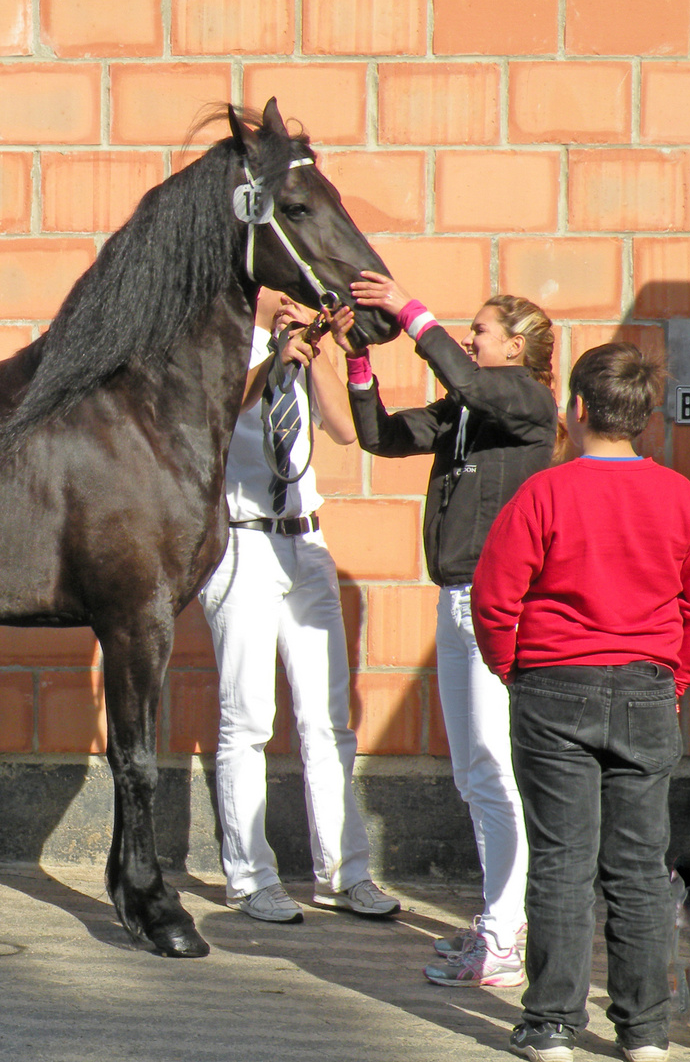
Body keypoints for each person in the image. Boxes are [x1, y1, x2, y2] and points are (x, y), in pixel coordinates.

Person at [472, 342, 690, 1062]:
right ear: (647, 419)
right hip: (645, 688)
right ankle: (645, 1033)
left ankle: (550, 1026)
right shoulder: (680, 497)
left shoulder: (545, 491)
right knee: (637, 867)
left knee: (561, 861)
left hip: (552, 685)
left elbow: (494, 596)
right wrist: (675, 676)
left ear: (574, 409)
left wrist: (511, 667)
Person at [342, 271, 558, 987]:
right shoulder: (467, 408)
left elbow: (469, 381)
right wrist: (356, 361)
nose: (470, 337)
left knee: (493, 773)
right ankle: (498, 924)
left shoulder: (525, 400)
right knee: (473, 776)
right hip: (455, 600)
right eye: (468, 328)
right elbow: (381, 437)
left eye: (482, 329)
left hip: (494, 606)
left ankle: (503, 936)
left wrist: (408, 311)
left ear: (517, 345)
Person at [199, 287, 399, 924]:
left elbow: (342, 430)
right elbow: (211, 413)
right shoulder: (223, 345)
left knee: (328, 720)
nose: (290, 297)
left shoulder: (303, 349)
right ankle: (250, 878)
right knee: (248, 720)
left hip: (306, 541)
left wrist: (314, 355)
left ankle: (344, 874)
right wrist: (271, 358)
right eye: (278, 289)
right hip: (244, 542)